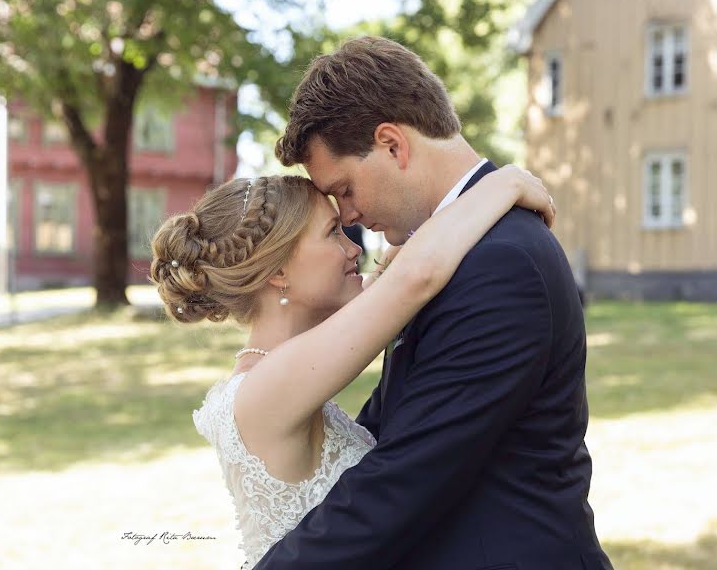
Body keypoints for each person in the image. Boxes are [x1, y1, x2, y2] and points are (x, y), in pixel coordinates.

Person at [253, 37, 613, 569]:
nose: (348, 216)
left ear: (392, 144)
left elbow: (408, 475)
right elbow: (389, 424)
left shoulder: (501, 261)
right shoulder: (454, 248)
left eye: (345, 188)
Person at [150, 167, 555, 568]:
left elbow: (383, 291)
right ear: (277, 271)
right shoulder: (269, 386)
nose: (354, 248)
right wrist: (504, 183)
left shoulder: (278, 370)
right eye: (332, 232)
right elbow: (416, 279)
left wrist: (388, 266)